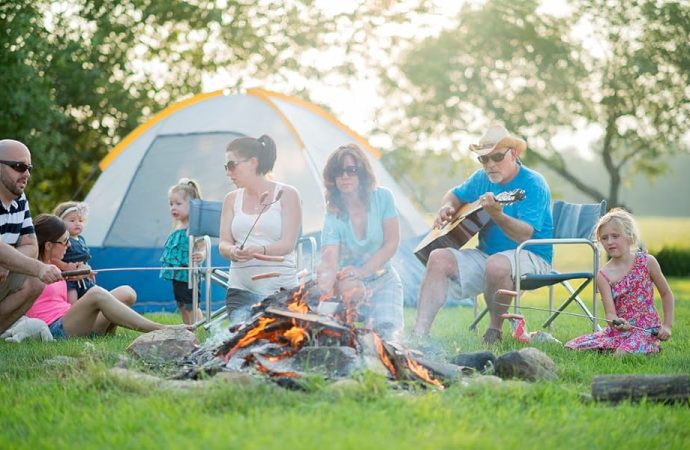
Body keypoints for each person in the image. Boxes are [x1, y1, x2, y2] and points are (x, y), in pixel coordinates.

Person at [412, 124, 554, 345]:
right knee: (438, 257)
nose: (490, 164)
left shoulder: (533, 183)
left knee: (497, 264)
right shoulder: (481, 178)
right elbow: (454, 194)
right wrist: (447, 207)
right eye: (484, 159)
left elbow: (524, 236)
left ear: (513, 154)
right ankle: (419, 334)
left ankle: (494, 331)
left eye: (496, 156)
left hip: (531, 255)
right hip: (487, 255)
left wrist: (497, 214)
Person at [26, 214, 187, 338]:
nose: (69, 245)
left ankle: (107, 334)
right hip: (55, 329)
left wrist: (75, 274)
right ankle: (159, 329)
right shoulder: (30, 269)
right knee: (96, 294)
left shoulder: (53, 267)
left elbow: (61, 286)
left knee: (127, 292)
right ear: (48, 246)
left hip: (72, 319)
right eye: (64, 241)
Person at [316, 144, 404, 340]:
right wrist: (324, 284)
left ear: (362, 173)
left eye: (351, 170)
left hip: (383, 280)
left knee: (388, 340)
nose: (345, 176)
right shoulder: (333, 213)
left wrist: (364, 270)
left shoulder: (383, 197)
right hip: (350, 284)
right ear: (333, 178)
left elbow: (391, 243)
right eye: (338, 172)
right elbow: (329, 256)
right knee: (339, 337)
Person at [218, 135, 302, 324]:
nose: (228, 173)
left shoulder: (288, 194)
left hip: (281, 291)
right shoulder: (231, 199)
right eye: (226, 167)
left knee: (281, 343)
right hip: (241, 292)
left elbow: (288, 244)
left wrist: (260, 250)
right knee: (245, 341)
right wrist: (232, 251)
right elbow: (224, 243)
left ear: (253, 162)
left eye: (231, 165)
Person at [565, 208, 673, 354]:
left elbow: (666, 294)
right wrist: (617, 323)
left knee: (621, 355)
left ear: (629, 236)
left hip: (646, 330)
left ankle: (649, 347)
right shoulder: (603, 275)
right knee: (571, 347)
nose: (609, 242)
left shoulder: (648, 262)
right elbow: (610, 314)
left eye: (615, 236)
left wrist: (666, 326)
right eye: (604, 238)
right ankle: (617, 347)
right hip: (618, 332)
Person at [0, 139, 63, 334]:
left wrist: (7, 263)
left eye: (29, 168)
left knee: (35, 282)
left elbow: (31, 244)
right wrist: (37, 267)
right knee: (36, 273)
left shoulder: (20, 199)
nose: (26, 174)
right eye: (19, 166)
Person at [52, 201, 137, 308]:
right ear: (60, 222)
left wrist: (88, 269)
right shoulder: (62, 241)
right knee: (72, 305)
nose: (77, 223)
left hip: (84, 279)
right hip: (70, 281)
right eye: (72, 220)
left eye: (81, 220)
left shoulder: (81, 239)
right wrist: (66, 267)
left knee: (92, 298)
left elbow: (84, 259)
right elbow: (53, 259)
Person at [160, 178, 206, 325]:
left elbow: (204, 245)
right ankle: (187, 329)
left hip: (189, 275)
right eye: (171, 204)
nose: (173, 207)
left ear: (192, 205)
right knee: (181, 304)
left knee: (191, 305)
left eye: (178, 204)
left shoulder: (193, 228)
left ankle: (199, 327)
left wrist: (202, 254)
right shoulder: (178, 227)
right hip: (177, 275)